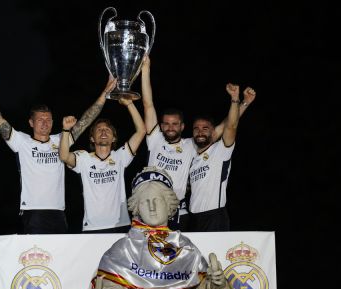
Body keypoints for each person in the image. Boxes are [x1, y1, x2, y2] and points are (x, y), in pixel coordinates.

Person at [66, 167, 236, 289]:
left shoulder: (186, 248)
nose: (152, 207)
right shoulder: (123, 248)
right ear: (137, 208)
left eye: (157, 200)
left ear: (169, 205)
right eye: (145, 202)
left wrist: (218, 285)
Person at [0, 75, 117, 234]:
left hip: (58, 212)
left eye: (48, 119)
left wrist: (105, 93)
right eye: (40, 120)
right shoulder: (22, 142)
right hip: (34, 212)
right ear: (31, 123)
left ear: (53, 122)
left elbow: (86, 120)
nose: (45, 123)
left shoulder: (61, 139)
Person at [141, 56, 253, 231]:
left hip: (181, 213)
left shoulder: (191, 145)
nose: (170, 127)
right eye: (167, 124)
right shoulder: (155, 139)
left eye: (175, 124)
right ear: (161, 126)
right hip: (152, 209)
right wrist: (145, 69)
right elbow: (148, 105)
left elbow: (225, 127)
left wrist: (243, 103)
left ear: (182, 126)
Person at [59, 96, 146, 233]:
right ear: (92, 138)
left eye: (107, 130)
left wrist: (129, 104)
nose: (104, 131)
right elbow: (64, 156)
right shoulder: (84, 158)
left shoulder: (120, 156)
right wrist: (65, 131)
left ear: (114, 138)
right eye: (99, 130)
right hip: (93, 227)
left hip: (120, 225)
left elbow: (141, 131)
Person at [189, 85, 256, 231]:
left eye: (205, 128)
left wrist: (236, 100)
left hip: (214, 216)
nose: (200, 132)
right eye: (196, 129)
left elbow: (230, 125)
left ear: (213, 132)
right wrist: (245, 102)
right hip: (193, 217)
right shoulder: (193, 155)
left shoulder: (220, 150)